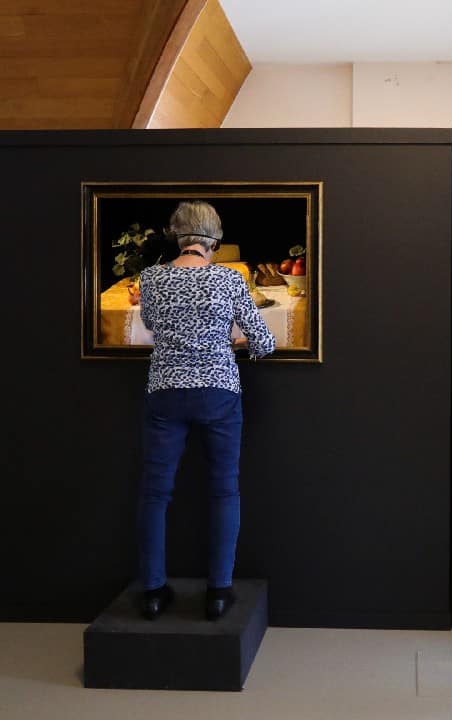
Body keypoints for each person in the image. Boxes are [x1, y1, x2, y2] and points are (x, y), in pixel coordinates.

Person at [136, 200, 275, 620]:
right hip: (218, 394)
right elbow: (264, 342)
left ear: (177, 235)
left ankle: (153, 592)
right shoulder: (229, 279)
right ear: (214, 240)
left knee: (155, 493)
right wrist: (229, 342)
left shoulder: (151, 278)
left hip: (166, 392)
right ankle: (218, 592)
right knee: (223, 489)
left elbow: (151, 325)